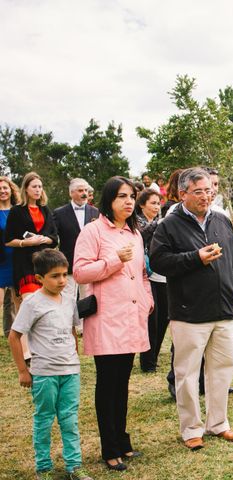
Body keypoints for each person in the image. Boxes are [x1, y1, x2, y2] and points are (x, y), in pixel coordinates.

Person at [150, 167, 233, 451]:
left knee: (223, 369)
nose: (206, 196)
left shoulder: (221, 219)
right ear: (183, 194)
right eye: (200, 191)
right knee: (188, 373)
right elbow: (159, 262)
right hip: (188, 312)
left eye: (209, 191)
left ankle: (219, 424)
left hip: (223, 310)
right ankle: (191, 428)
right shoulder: (169, 225)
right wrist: (195, 258)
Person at [73, 176, 153, 471]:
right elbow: (80, 272)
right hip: (107, 319)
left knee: (123, 381)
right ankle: (110, 447)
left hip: (132, 317)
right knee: (108, 383)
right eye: (122, 196)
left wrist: (147, 299)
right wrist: (113, 261)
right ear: (109, 200)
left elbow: (143, 272)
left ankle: (122, 440)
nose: (129, 201)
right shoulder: (93, 231)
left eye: (132, 196)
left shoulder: (135, 233)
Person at [8, 249, 93, 480]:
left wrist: (73, 357)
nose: (62, 280)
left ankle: (74, 466)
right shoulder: (32, 303)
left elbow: (71, 331)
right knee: (44, 419)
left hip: (70, 371)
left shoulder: (68, 300)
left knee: (70, 418)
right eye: (55, 276)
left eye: (65, 274)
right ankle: (43, 468)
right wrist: (23, 371)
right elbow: (14, 336)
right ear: (39, 278)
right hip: (44, 373)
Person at [4, 172, 59, 302]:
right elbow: (8, 240)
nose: (38, 190)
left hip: (44, 264)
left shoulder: (45, 209)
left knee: (45, 305)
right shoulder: (16, 211)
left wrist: (45, 239)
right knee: (30, 303)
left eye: (40, 186)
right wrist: (25, 243)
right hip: (24, 264)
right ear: (26, 189)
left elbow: (54, 236)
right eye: (34, 186)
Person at [53, 178, 99, 306]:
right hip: (68, 262)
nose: (84, 193)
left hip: (89, 262)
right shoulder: (59, 213)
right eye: (80, 190)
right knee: (67, 299)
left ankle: (84, 326)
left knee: (87, 299)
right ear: (71, 193)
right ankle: (68, 326)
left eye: (85, 190)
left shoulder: (95, 212)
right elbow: (53, 236)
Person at [135, 188, 167, 373]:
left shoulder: (157, 222)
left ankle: (153, 356)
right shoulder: (136, 223)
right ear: (142, 205)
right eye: (153, 203)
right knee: (151, 319)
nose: (156, 207)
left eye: (158, 203)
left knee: (164, 317)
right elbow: (143, 235)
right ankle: (147, 361)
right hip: (144, 276)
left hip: (161, 274)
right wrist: (161, 224)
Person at [0, 176, 20, 337]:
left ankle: (17, 333)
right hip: (1, 262)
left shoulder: (18, 210)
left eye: (5, 188)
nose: (2, 191)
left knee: (17, 300)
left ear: (11, 190)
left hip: (16, 259)